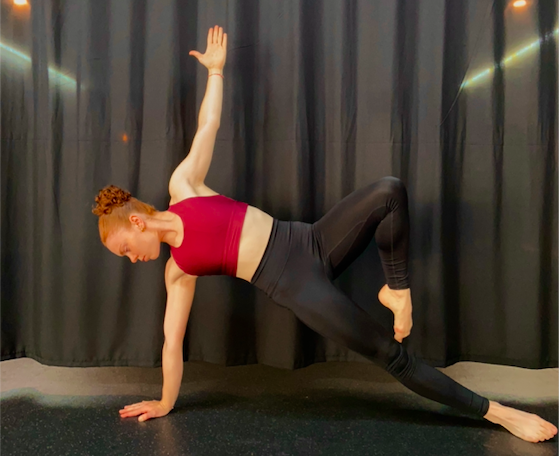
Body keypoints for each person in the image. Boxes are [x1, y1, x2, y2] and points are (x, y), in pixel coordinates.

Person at [91, 25, 556, 443]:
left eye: (126, 250)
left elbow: (207, 125)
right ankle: (498, 413)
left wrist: (215, 72)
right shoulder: (179, 270)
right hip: (297, 286)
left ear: (137, 222)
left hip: (309, 240)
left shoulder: (184, 187)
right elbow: (171, 342)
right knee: (390, 354)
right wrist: (165, 402)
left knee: (389, 192)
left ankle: (396, 290)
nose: (133, 259)